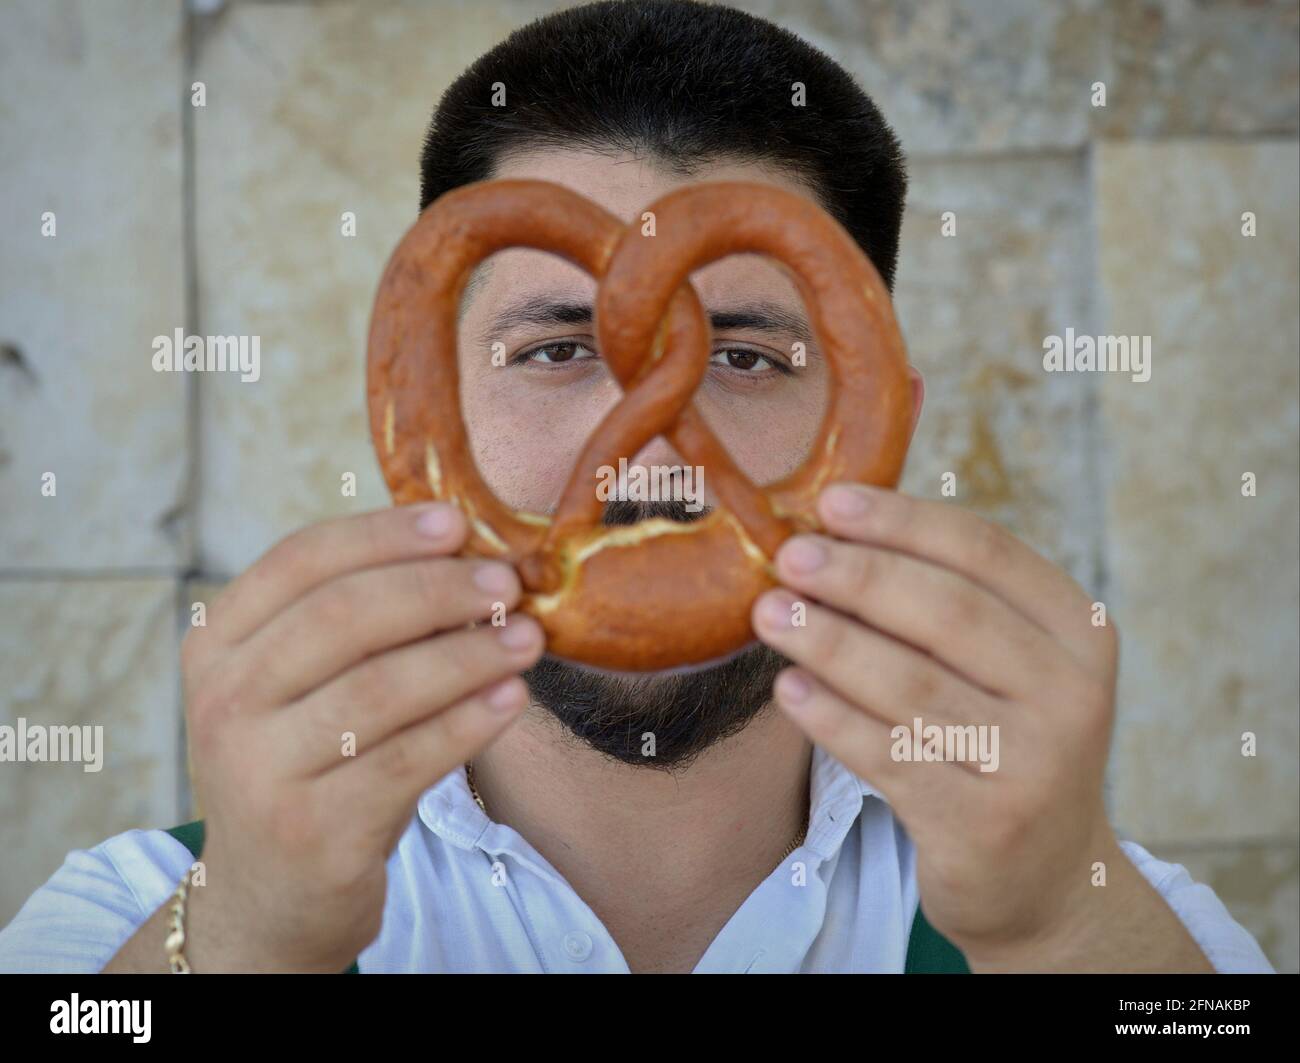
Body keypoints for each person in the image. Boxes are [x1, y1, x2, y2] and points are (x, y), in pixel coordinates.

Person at [0, 0, 1273, 974]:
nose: (653, 451)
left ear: (873, 425)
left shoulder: (1121, 919)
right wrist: (241, 941)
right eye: (557, 351)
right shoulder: (128, 917)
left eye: (749, 355)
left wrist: (1057, 928)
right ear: (415, 414)